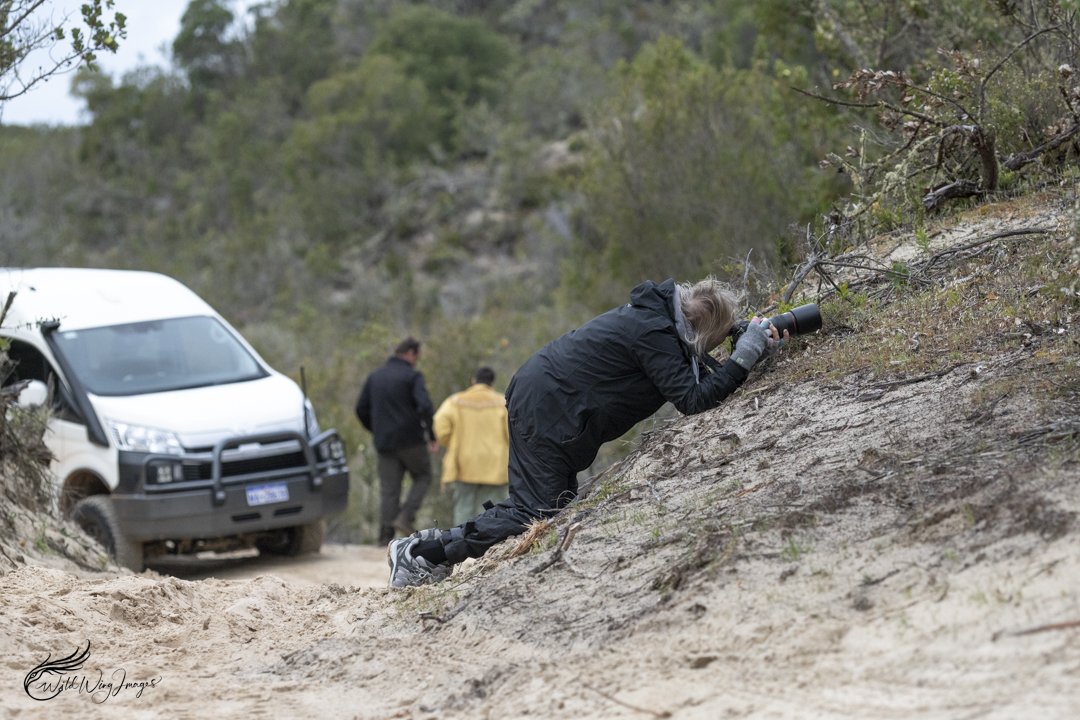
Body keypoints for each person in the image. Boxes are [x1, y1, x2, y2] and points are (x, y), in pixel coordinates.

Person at [387, 277, 785, 587]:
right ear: (700, 330)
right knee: (537, 510)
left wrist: (745, 352)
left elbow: (690, 379)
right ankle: (423, 554)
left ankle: (427, 550)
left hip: (546, 399)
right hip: (547, 406)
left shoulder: (655, 319)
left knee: (550, 505)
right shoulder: (655, 332)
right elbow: (694, 399)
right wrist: (744, 355)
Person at [356, 336, 438, 546]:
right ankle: (406, 516)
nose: (417, 360)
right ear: (410, 353)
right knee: (423, 475)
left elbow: (360, 409)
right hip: (411, 440)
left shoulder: (375, 377)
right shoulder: (412, 376)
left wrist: (376, 429)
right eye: (417, 356)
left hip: (385, 442)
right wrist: (431, 435)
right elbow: (425, 406)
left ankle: (385, 536)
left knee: (389, 488)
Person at [433, 367, 510, 526]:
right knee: (492, 507)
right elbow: (512, 431)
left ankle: (461, 544)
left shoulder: (455, 401)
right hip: (494, 464)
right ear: (491, 382)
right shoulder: (502, 402)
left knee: (463, 507)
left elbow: (441, 426)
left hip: (463, 462)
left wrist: (451, 443)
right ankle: (489, 543)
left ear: (473, 380)